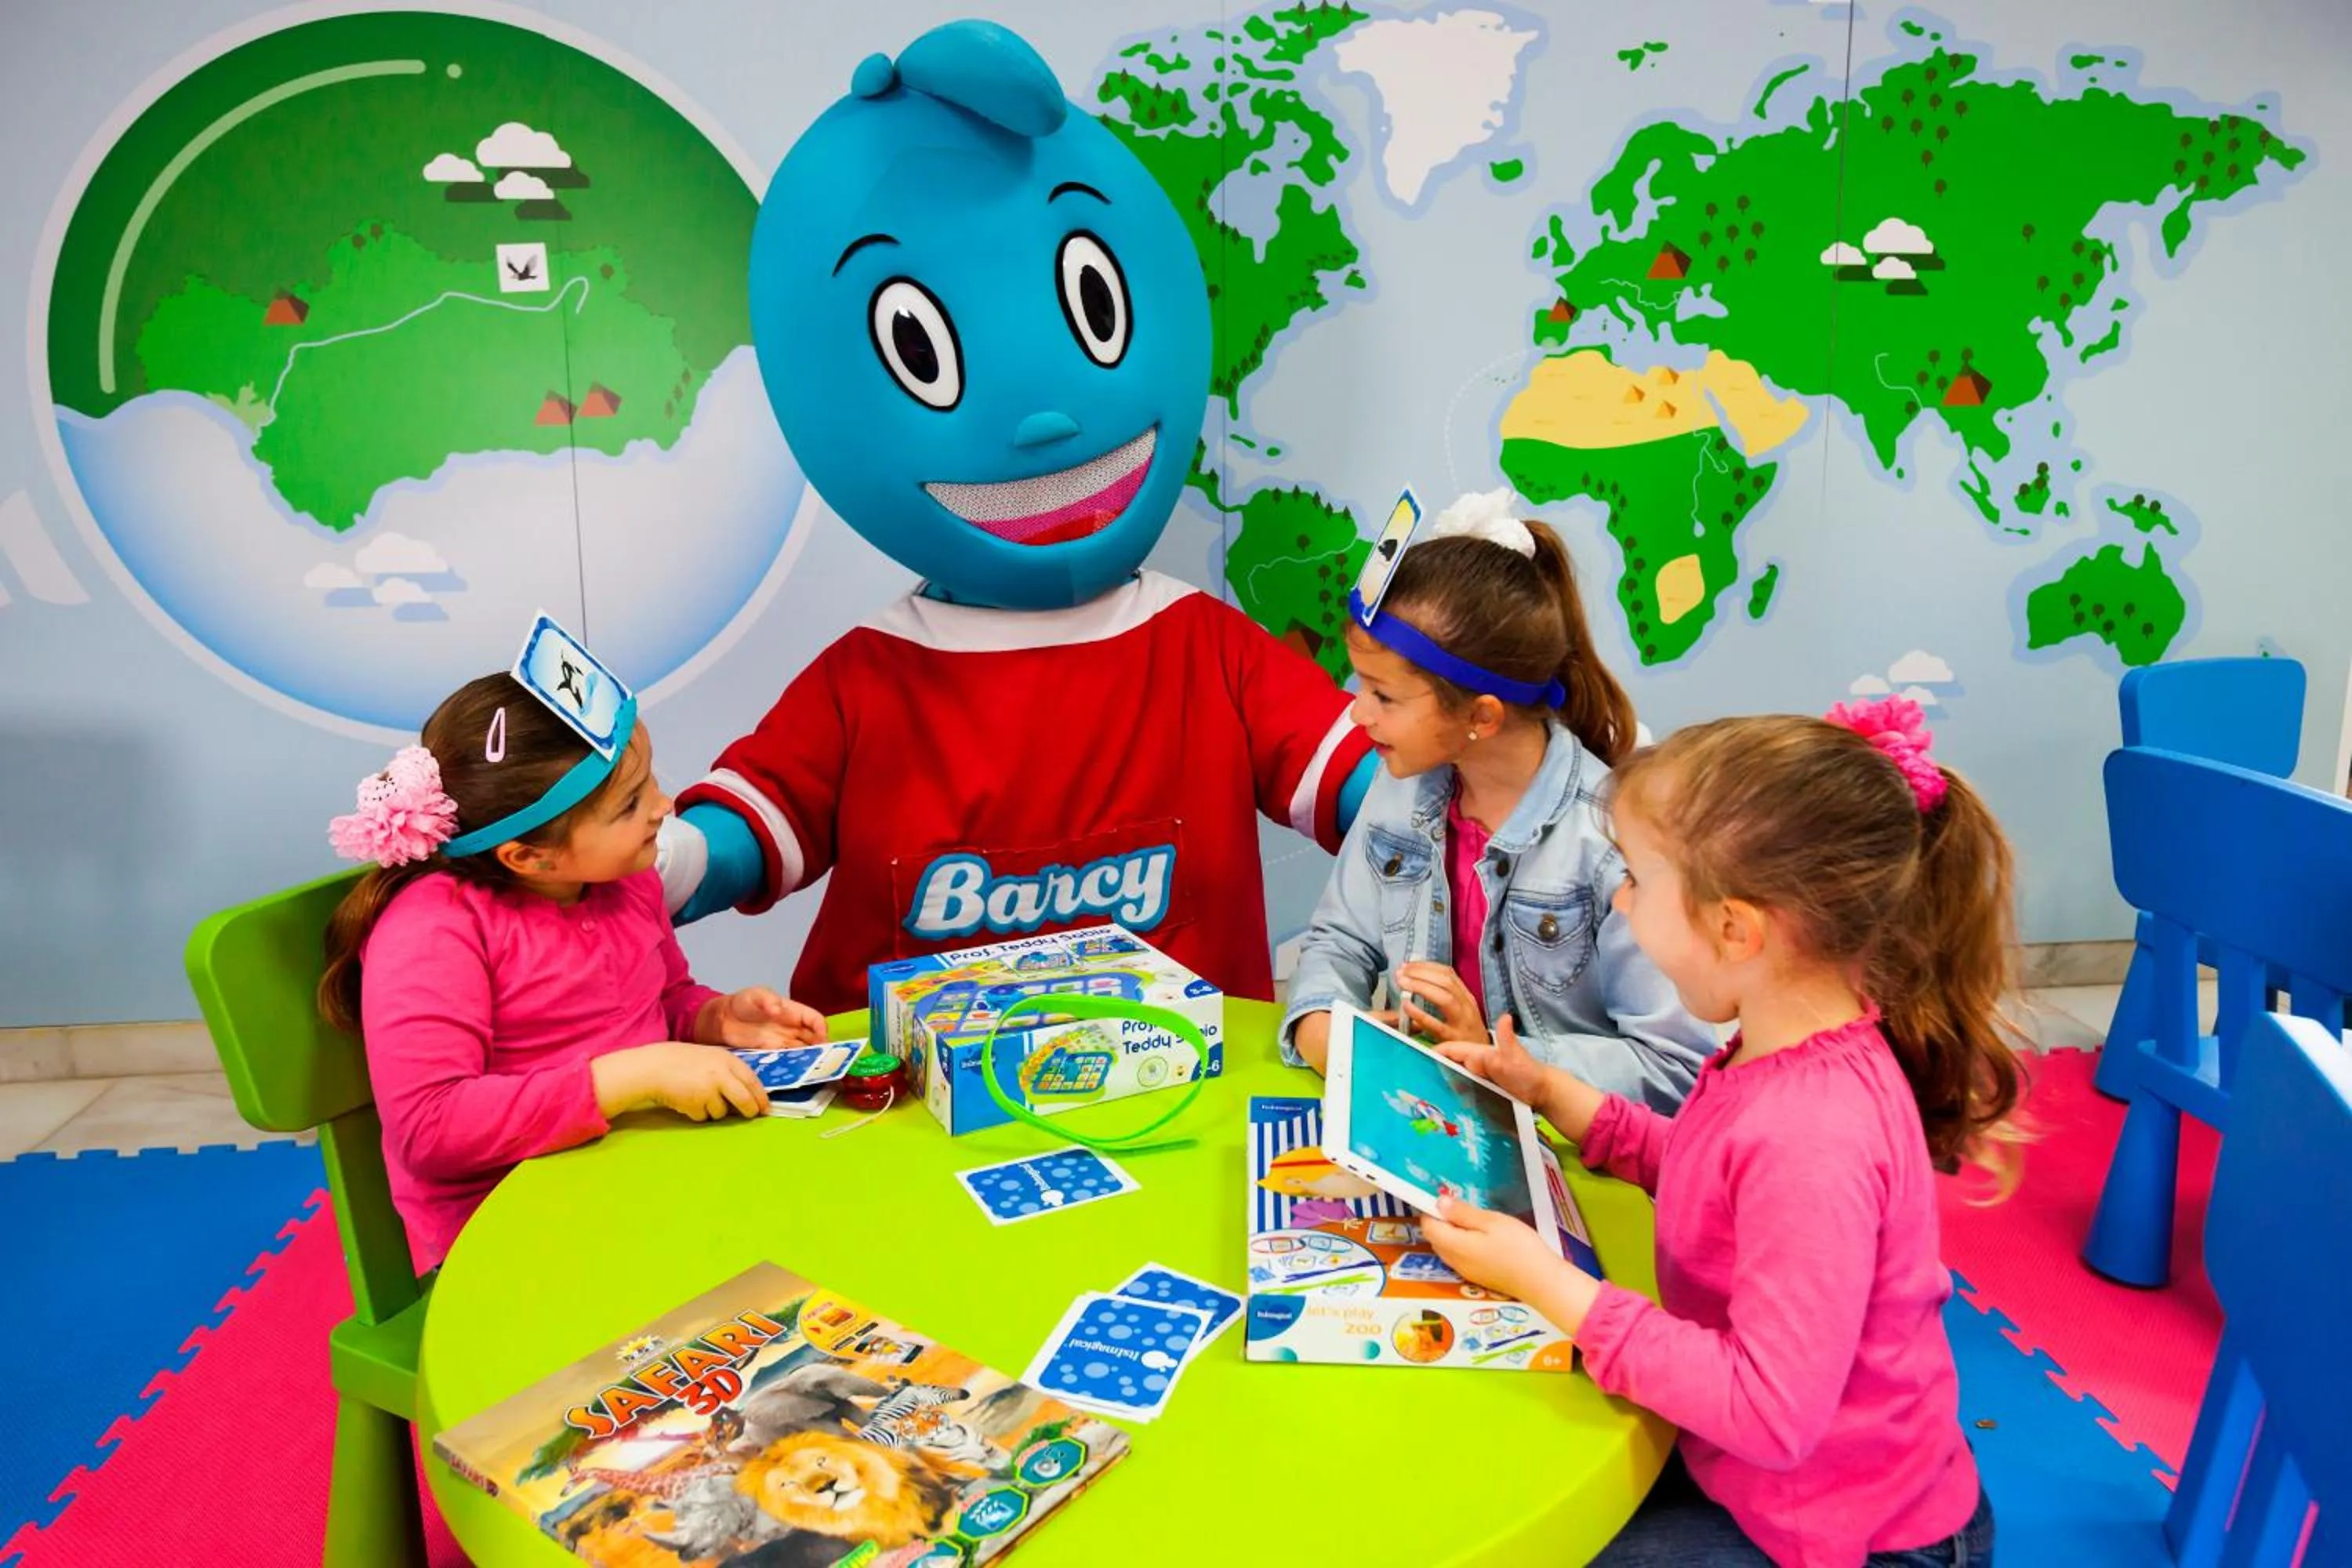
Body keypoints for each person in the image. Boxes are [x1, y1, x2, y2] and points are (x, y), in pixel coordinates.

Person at [1422, 699, 2015, 1566]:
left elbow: (1768, 1409)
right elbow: (1704, 1167)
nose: (1621, 898)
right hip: (1763, 1472)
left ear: (1736, 927)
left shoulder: (1812, 1133)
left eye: (1637, 879)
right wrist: (1548, 1089)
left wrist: (1544, 1280)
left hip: (1848, 1533)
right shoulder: (1782, 1046)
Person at [318, 671, 823, 1271]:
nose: (665, 806)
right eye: (631, 804)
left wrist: (714, 1018)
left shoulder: (625, 878)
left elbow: (659, 1004)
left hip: (639, 1178)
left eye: (649, 781)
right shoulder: (432, 931)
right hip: (508, 1231)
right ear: (530, 856)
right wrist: (630, 1076)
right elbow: (431, 1128)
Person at [1281, 489, 1710, 1110]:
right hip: (1435, 1130)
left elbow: (1676, 1069)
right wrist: (1327, 1028)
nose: (1357, 713)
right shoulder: (1398, 784)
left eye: (1384, 696)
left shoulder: (1617, 837)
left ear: (1481, 715)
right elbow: (1339, 942)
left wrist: (1496, 1055)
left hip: (1570, 1164)